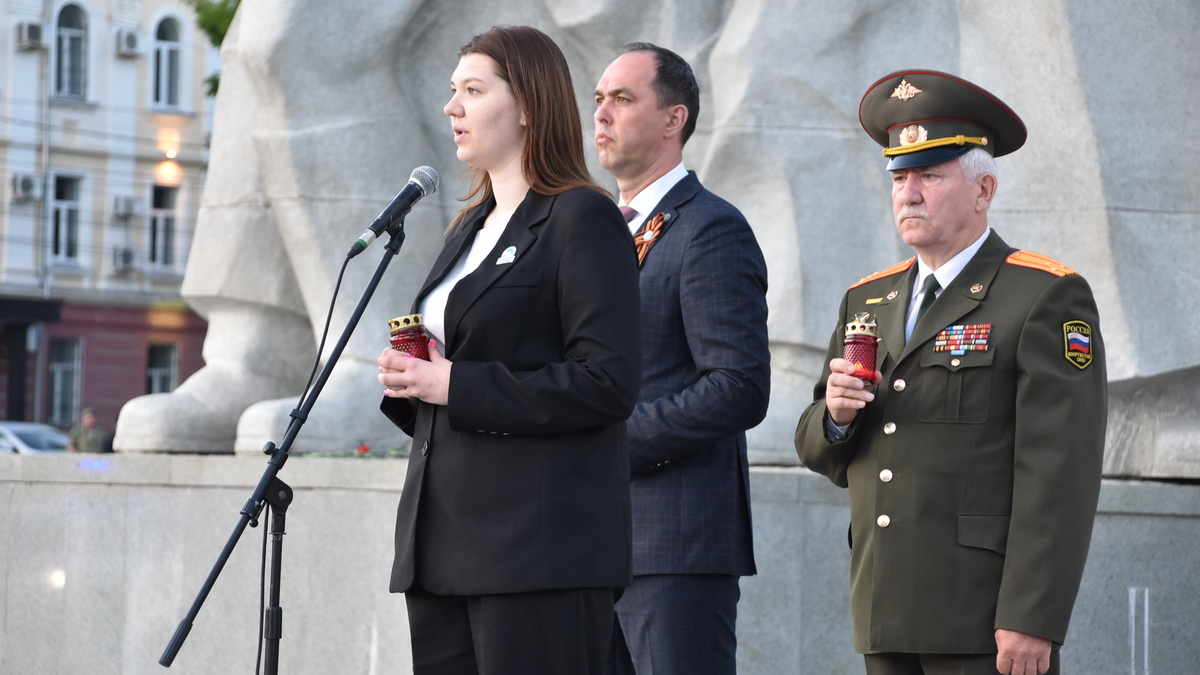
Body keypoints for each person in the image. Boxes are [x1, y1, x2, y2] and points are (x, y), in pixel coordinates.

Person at [794, 70, 1107, 675]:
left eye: (930, 176)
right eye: (899, 177)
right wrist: (833, 418)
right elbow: (822, 452)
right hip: (885, 607)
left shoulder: (1043, 295)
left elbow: (1059, 474)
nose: (909, 193)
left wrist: (1031, 616)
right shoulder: (869, 301)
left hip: (984, 620)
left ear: (983, 189)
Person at [375, 25, 642, 675]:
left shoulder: (582, 217)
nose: (452, 107)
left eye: (473, 89)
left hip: (535, 552)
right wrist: (414, 382)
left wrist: (453, 384)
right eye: (451, 90)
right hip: (441, 548)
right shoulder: (468, 224)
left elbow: (607, 382)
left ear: (526, 105)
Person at [593, 43, 770, 675]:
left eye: (622, 98)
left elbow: (738, 385)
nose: (602, 115)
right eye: (599, 100)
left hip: (674, 546)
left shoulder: (710, 228)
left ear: (674, 119)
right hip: (586, 545)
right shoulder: (595, 231)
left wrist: (608, 445)